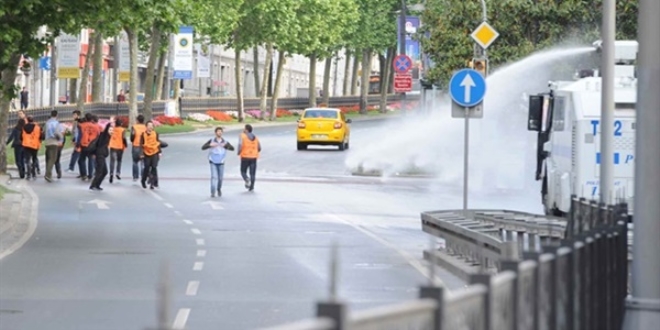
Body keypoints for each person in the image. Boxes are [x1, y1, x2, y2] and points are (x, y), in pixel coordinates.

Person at [201, 127, 234, 197]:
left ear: (222, 133)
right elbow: (203, 147)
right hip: (213, 161)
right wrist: (210, 145)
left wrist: (226, 146)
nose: (219, 133)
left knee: (220, 178)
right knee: (214, 177)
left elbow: (232, 148)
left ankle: (219, 188)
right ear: (215, 133)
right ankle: (213, 191)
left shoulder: (225, 141)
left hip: (221, 161)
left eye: (221, 131)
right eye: (218, 131)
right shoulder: (211, 140)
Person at [237, 124, 261, 191]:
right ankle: (252, 186)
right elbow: (259, 148)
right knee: (252, 173)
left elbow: (240, 145)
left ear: (246, 130)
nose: (243, 130)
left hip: (245, 156)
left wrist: (238, 152)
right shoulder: (255, 137)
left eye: (244, 128)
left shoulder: (242, 136)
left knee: (243, 171)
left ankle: (246, 179)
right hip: (253, 157)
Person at [140, 121, 163, 189]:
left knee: (154, 167)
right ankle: (143, 180)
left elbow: (158, 143)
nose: (150, 127)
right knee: (146, 167)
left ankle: (153, 183)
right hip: (146, 153)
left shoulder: (155, 133)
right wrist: (141, 153)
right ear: (146, 127)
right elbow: (141, 145)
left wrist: (159, 152)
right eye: (149, 125)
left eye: (151, 126)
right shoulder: (143, 134)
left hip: (155, 152)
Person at [90, 123, 113, 191]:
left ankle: (97, 185)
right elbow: (105, 131)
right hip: (100, 155)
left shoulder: (108, 136)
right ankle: (93, 185)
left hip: (102, 155)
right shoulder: (104, 135)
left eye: (112, 130)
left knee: (104, 172)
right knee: (99, 171)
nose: (112, 131)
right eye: (110, 130)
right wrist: (109, 124)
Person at [78, 113, 100, 181]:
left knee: (81, 160)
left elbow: (80, 135)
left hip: (84, 144)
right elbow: (98, 135)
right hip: (92, 145)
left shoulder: (82, 125)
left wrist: (77, 144)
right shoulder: (96, 126)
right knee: (91, 160)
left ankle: (83, 174)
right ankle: (90, 175)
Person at [43, 110, 62, 182]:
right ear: (57, 115)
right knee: (52, 159)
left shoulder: (47, 123)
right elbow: (57, 132)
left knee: (48, 158)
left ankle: (47, 173)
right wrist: (60, 137)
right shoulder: (56, 123)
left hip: (47, 142)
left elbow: (44, 130)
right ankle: (48, 174)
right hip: (54, 142)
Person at [109, 117, 128, 183]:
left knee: (112, 161)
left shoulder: (113, 129)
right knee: (119, 160)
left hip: (113, 146)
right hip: (120, 146)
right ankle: (118, 172)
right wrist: (126, 144)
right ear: (121, 123)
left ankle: (111, 173)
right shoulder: (123, 130)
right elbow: (124, 138)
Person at [130, 115, 147, 182]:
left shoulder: (134, 127)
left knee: (135, 161)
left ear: (137, 120)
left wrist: (132, 140)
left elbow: (132, 135)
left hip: (136, 145)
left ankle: (135, 176)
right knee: (143, 161)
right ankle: (143, 175)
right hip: (143, 146)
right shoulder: (146, 127)